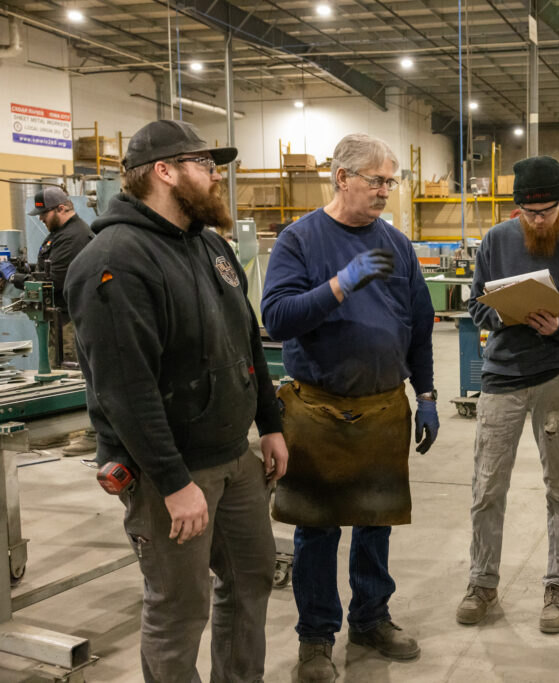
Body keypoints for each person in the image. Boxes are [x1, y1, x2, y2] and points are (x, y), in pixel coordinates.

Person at [64, 119, 288, 683]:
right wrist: (172, 482)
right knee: (180, 609)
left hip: (234, 459)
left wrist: (271, 422)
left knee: (250, 581)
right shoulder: (113, 261)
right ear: (164, 172)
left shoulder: (209, 246)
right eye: (205, 167)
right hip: (171, 474)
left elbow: (247, 338)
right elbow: (125, 392)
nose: (216, 178)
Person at [261, 133, 437, 681]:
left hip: (384, 407)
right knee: (316, 529)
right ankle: (315, 637)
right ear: (342, 178)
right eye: (376, 180)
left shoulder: (398, 244)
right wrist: (339, 285)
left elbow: (421, 325)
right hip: (317, 408)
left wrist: (426, 394)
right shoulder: (300, 240)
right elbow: (277, 318)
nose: (386, 190)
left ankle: (371, 618)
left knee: (375, 522)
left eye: (391, 181)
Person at [456, 155, 559, 634]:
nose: (539, 220)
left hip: (556, 378)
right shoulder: (495, 242)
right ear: (517, 209)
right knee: (487, 488)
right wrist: (504, 313)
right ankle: (482, 583)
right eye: (530, 213)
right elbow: (475, 306)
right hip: (503, 377)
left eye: (547, 211)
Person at [1, 186, 96, 454]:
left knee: (77, 375)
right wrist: (22, 269)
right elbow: (47, 267)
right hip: (58, 316)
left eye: (44, 213)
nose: (40, 219)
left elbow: (53, 281)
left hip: (71, 317)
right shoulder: (59, 235)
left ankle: (89, 430)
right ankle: (58, 432)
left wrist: (13, 278)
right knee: (56, 373)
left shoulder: (75, 236)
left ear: (63, 208)